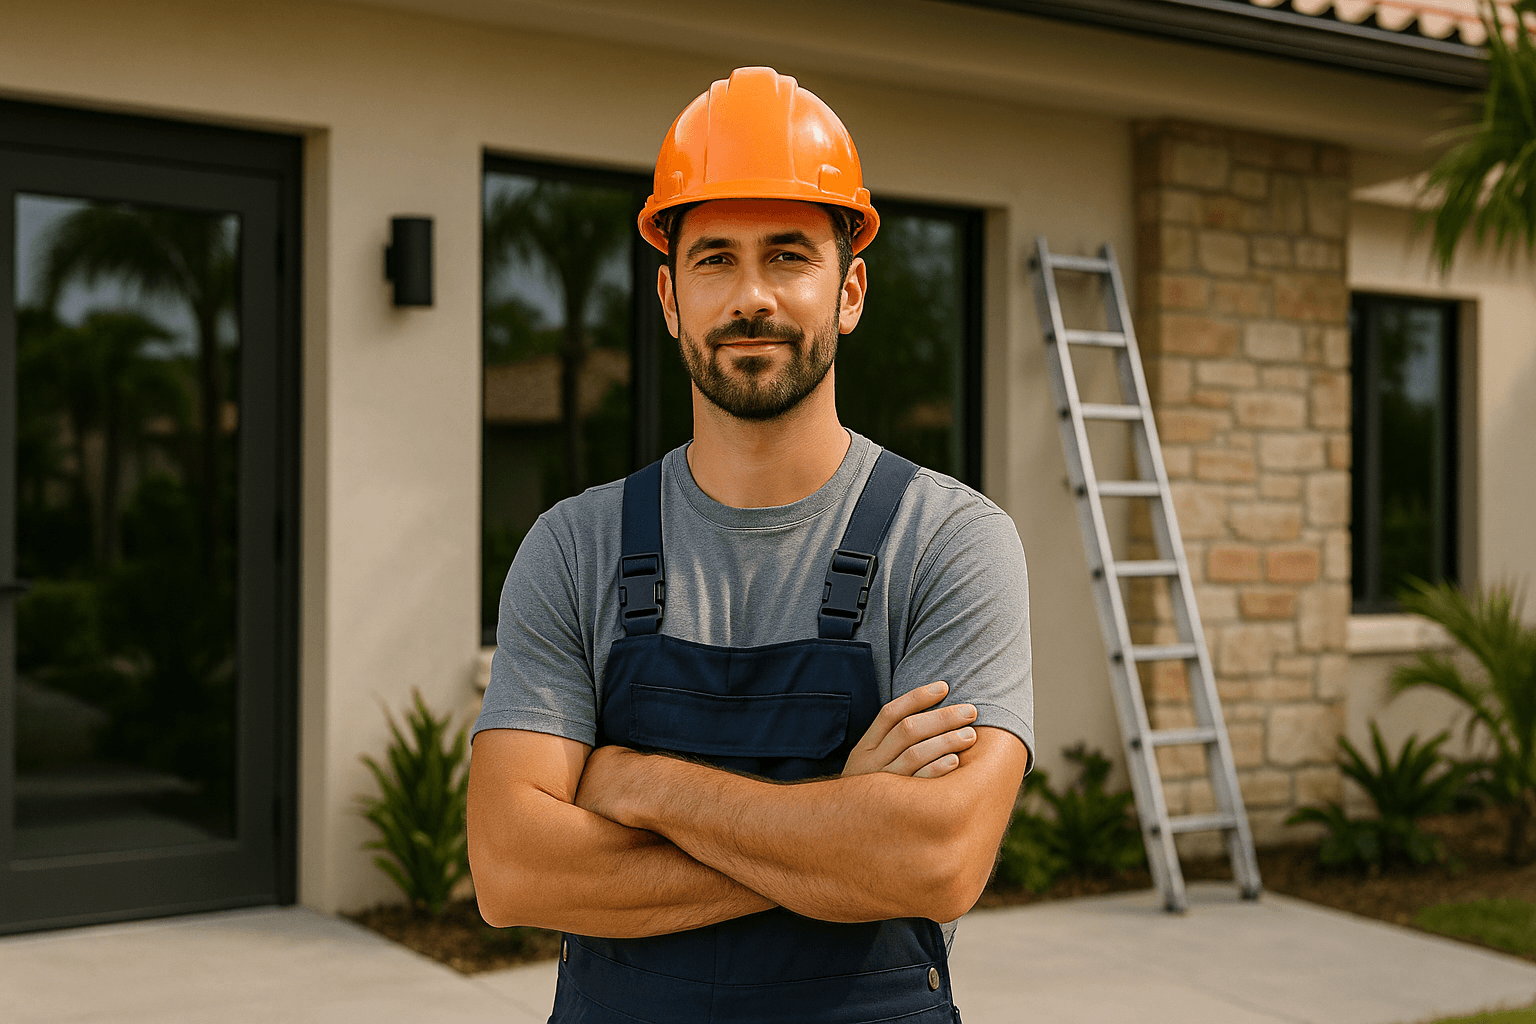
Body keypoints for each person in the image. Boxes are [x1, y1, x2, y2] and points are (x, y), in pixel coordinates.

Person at [467, 66, 1033, 1024]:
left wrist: (634, 780)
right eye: (715, 258)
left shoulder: (951, 542)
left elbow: (935, 860)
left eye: (788, 256)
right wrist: (839, 826)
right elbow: (512, 871)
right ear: (669, 295)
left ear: (849, 290)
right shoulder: (574, 549)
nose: (751, 297)